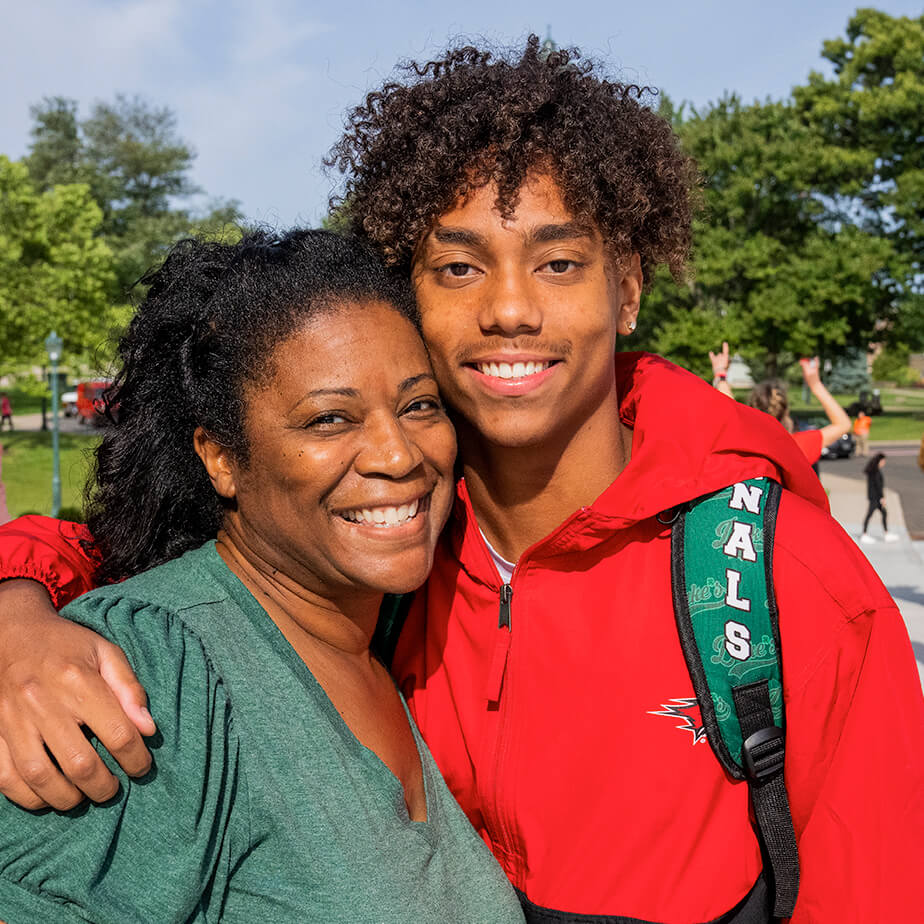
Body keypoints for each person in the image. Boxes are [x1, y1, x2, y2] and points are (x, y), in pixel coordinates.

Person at [0, 38, 922, 923]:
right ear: (411, 297)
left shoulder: (777, 582)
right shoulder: (392, 530)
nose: (511, 308)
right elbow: (160, 555)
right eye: (457, 266)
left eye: (560, 264)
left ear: (628, 288)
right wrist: (15, 606)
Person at [0, 229, 524, 922]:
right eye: (329, 419)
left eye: (418, 405)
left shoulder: (399, 625)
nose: (399, 456)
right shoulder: (157, 674)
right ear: (221, 458)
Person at [710, 345, 851, 464]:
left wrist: (720, 374)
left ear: (753, 408)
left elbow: (730, 408)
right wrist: (815, 384)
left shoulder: (744, 444)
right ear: (786, 411)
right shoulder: (797, 446)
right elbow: (843, 424)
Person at [860, 452, 899, 544]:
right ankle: (864, 534)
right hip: (875, 498)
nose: (884, 463)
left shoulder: (873, 471)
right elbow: (878, 486)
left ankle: (886, 533)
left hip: (874, 497)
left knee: (884, 513)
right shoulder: (876, 472)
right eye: (883, 461)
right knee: (869, 515)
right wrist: (882, 498)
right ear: (879, 461)